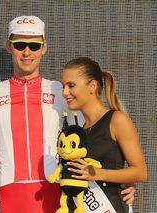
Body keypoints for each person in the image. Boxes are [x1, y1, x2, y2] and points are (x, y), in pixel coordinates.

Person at [0, 15, 136, 213]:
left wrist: (120, 182)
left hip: (55, 194)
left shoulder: (61, 91)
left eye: (35, 46)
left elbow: (92, 140)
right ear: (8, 46)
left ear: (44, 48)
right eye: (20, 45)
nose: (27, 52)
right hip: (3, 194)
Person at [60, 56, 147, 212]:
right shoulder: (79, 129)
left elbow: (140, 172)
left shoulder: (117, 120)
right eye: (63, 86)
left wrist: (96, 173)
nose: (65, 92)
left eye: (71, 86)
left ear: (92, 86)